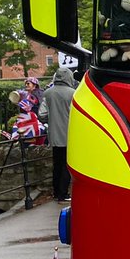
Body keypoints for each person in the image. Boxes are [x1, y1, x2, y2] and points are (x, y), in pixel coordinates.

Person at [40, 66, 77, 201]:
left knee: (57, 164)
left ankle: (56, 192)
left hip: (54, 135)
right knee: (67, 165)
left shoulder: (48, 93)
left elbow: (42, 114)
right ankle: (63, 193)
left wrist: (51, 119)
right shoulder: (74, 93)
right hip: (70, 134)